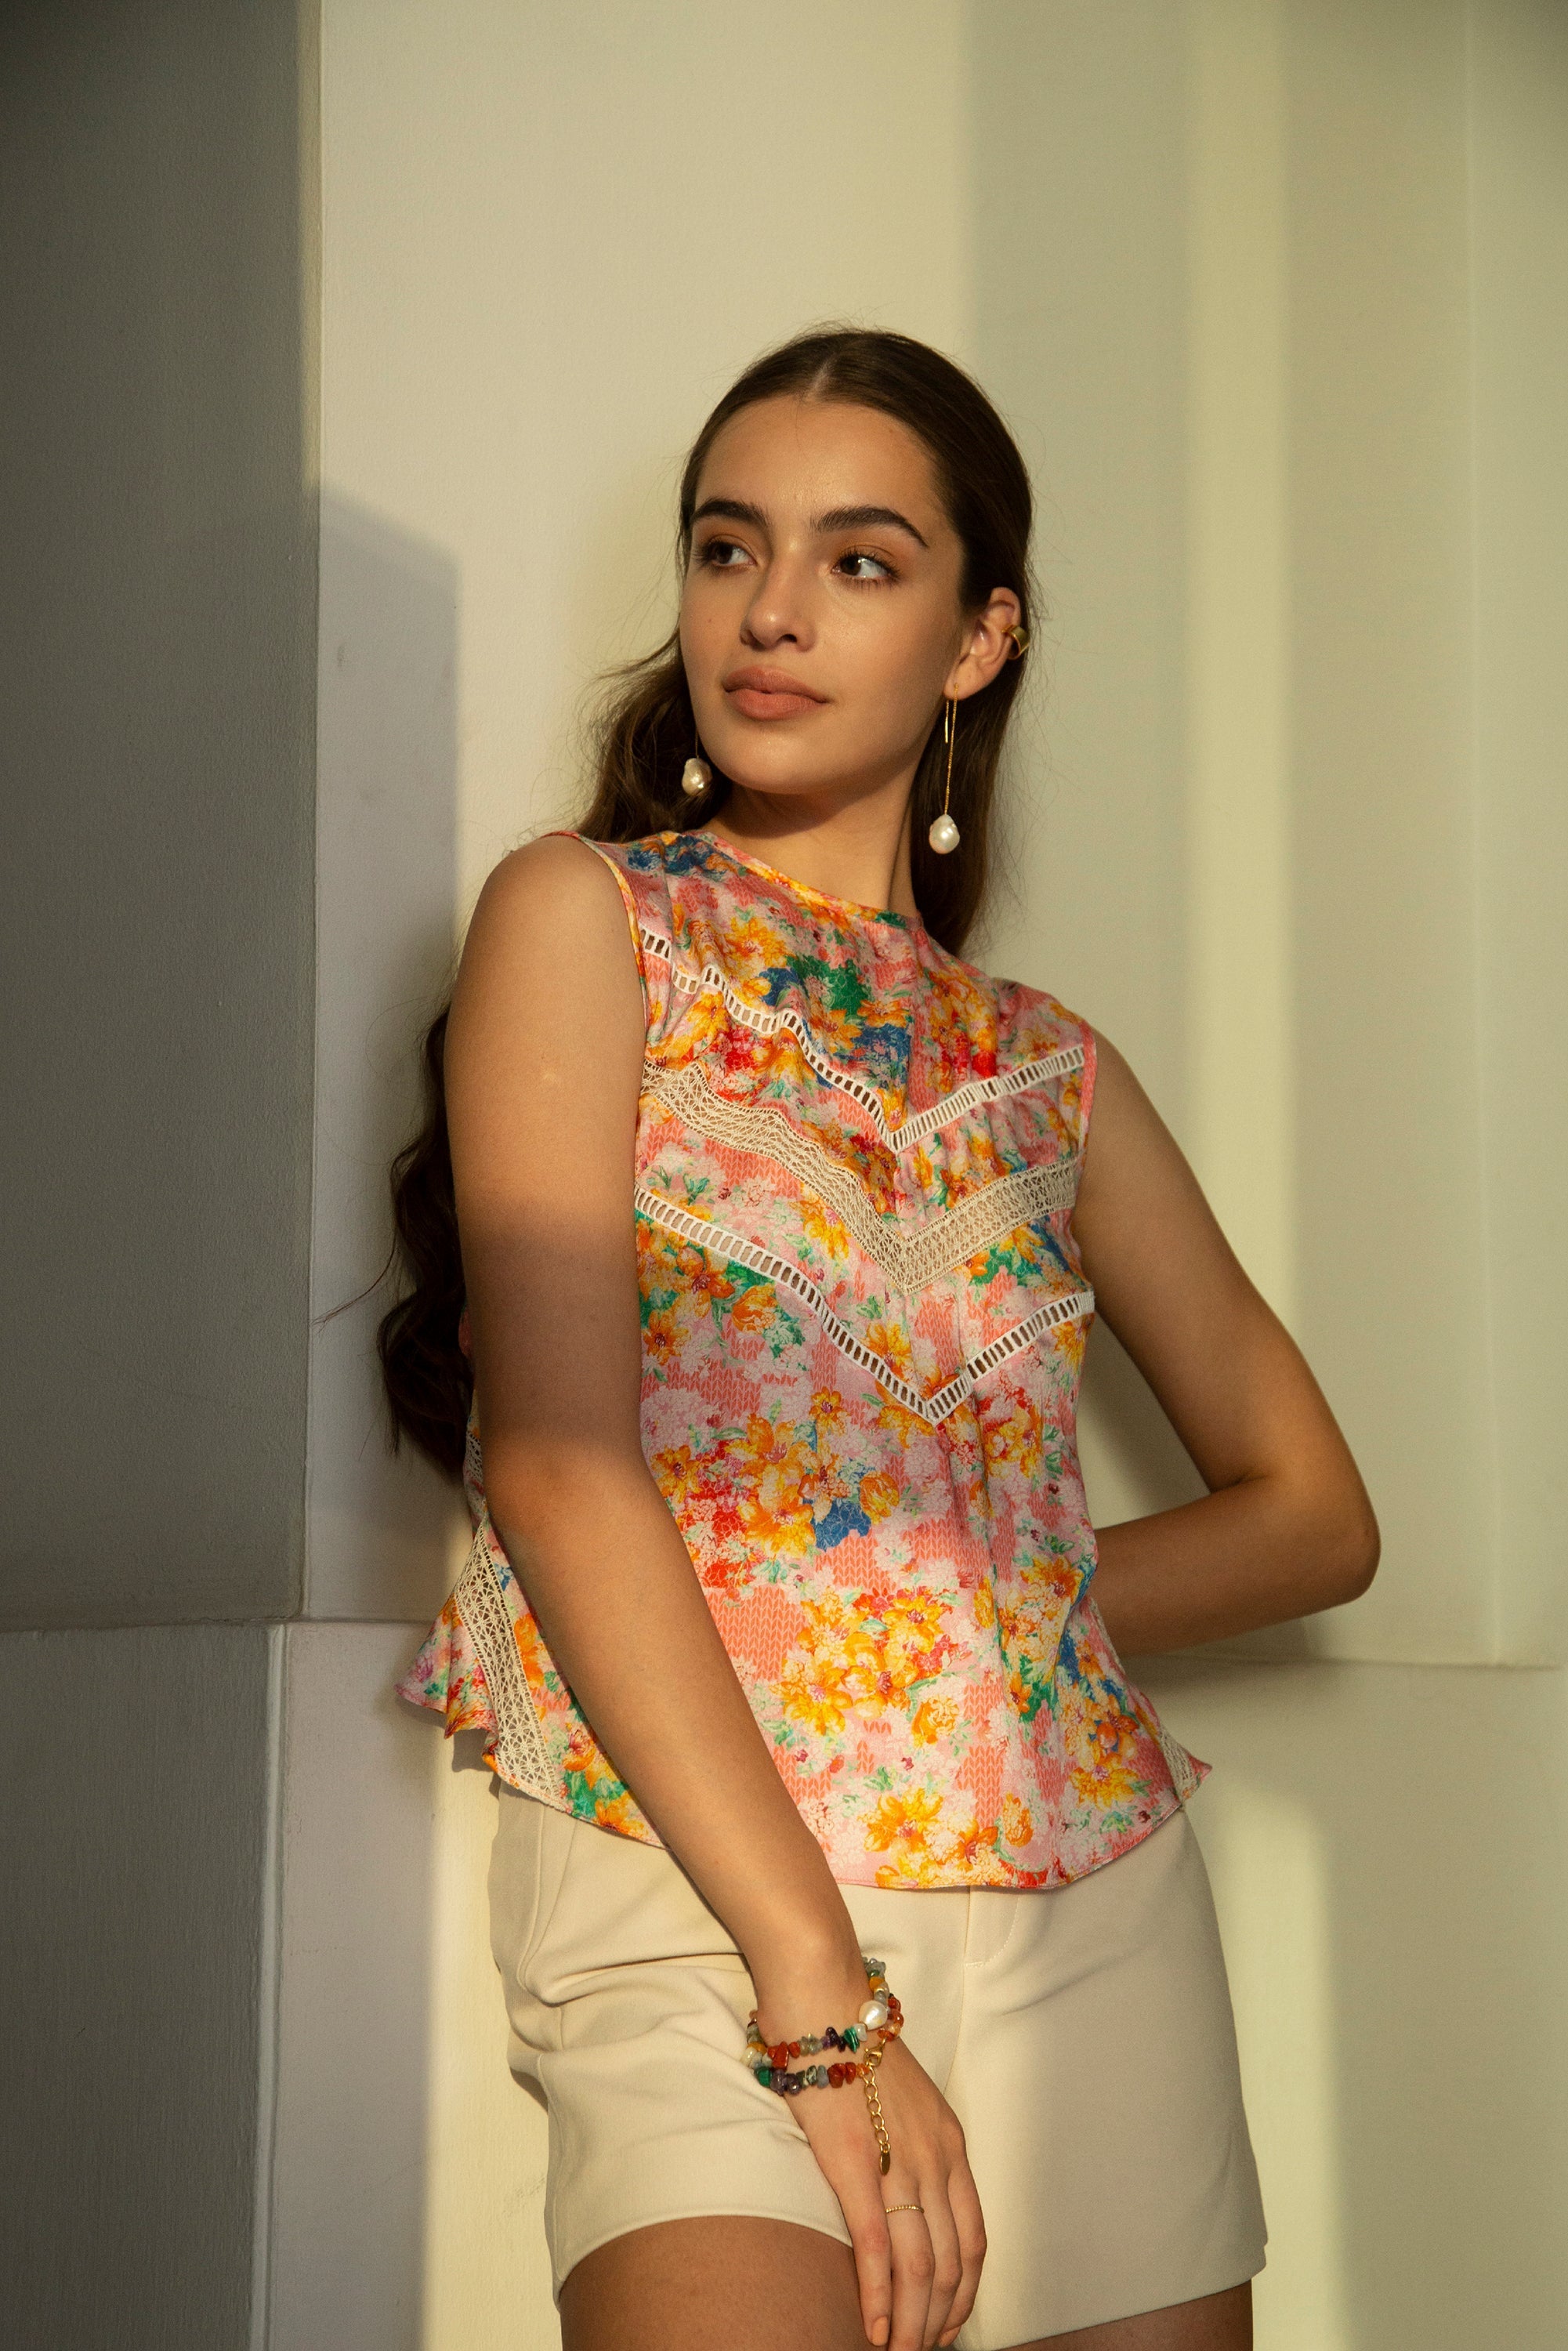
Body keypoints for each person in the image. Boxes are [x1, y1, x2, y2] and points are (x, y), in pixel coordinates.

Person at [379, 327, 1379, 2351]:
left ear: (977, 637)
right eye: (726, 545)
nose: (769, 611)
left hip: (1088, 1893)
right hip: (690, 1875)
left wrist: (929, 1621)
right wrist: (822, 2005)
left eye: (858, 561)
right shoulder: (585, 920)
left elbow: (1313, 1519)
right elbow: (559, 1467)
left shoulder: (1046, 1067)